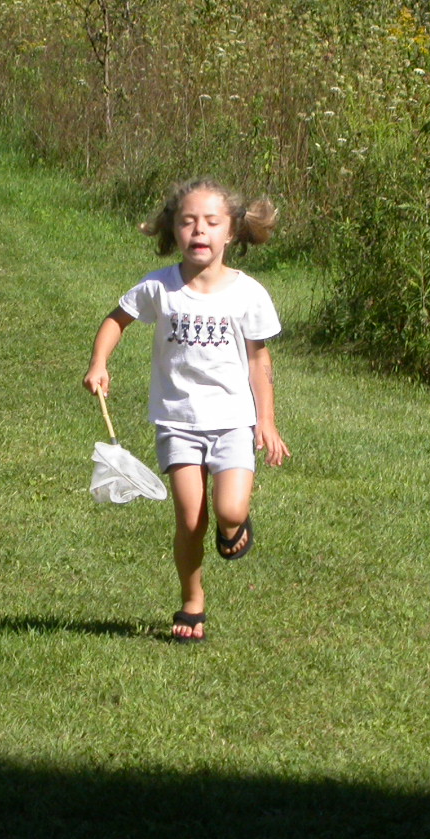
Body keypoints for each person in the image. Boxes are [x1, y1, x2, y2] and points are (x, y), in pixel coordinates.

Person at [83, 178, 290, 642]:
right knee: (191, 521)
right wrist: (99, 363)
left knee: (230, 510)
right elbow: (117, 320)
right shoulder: (160, 287)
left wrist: (267, 421)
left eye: (211, 222)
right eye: (188, 221)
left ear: (231, 231)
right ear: (173, 230)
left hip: (233, 421)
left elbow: (259, 361)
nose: (199, 230)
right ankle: (192, 600)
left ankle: (233, 526)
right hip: (177, 422)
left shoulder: (248, 293)